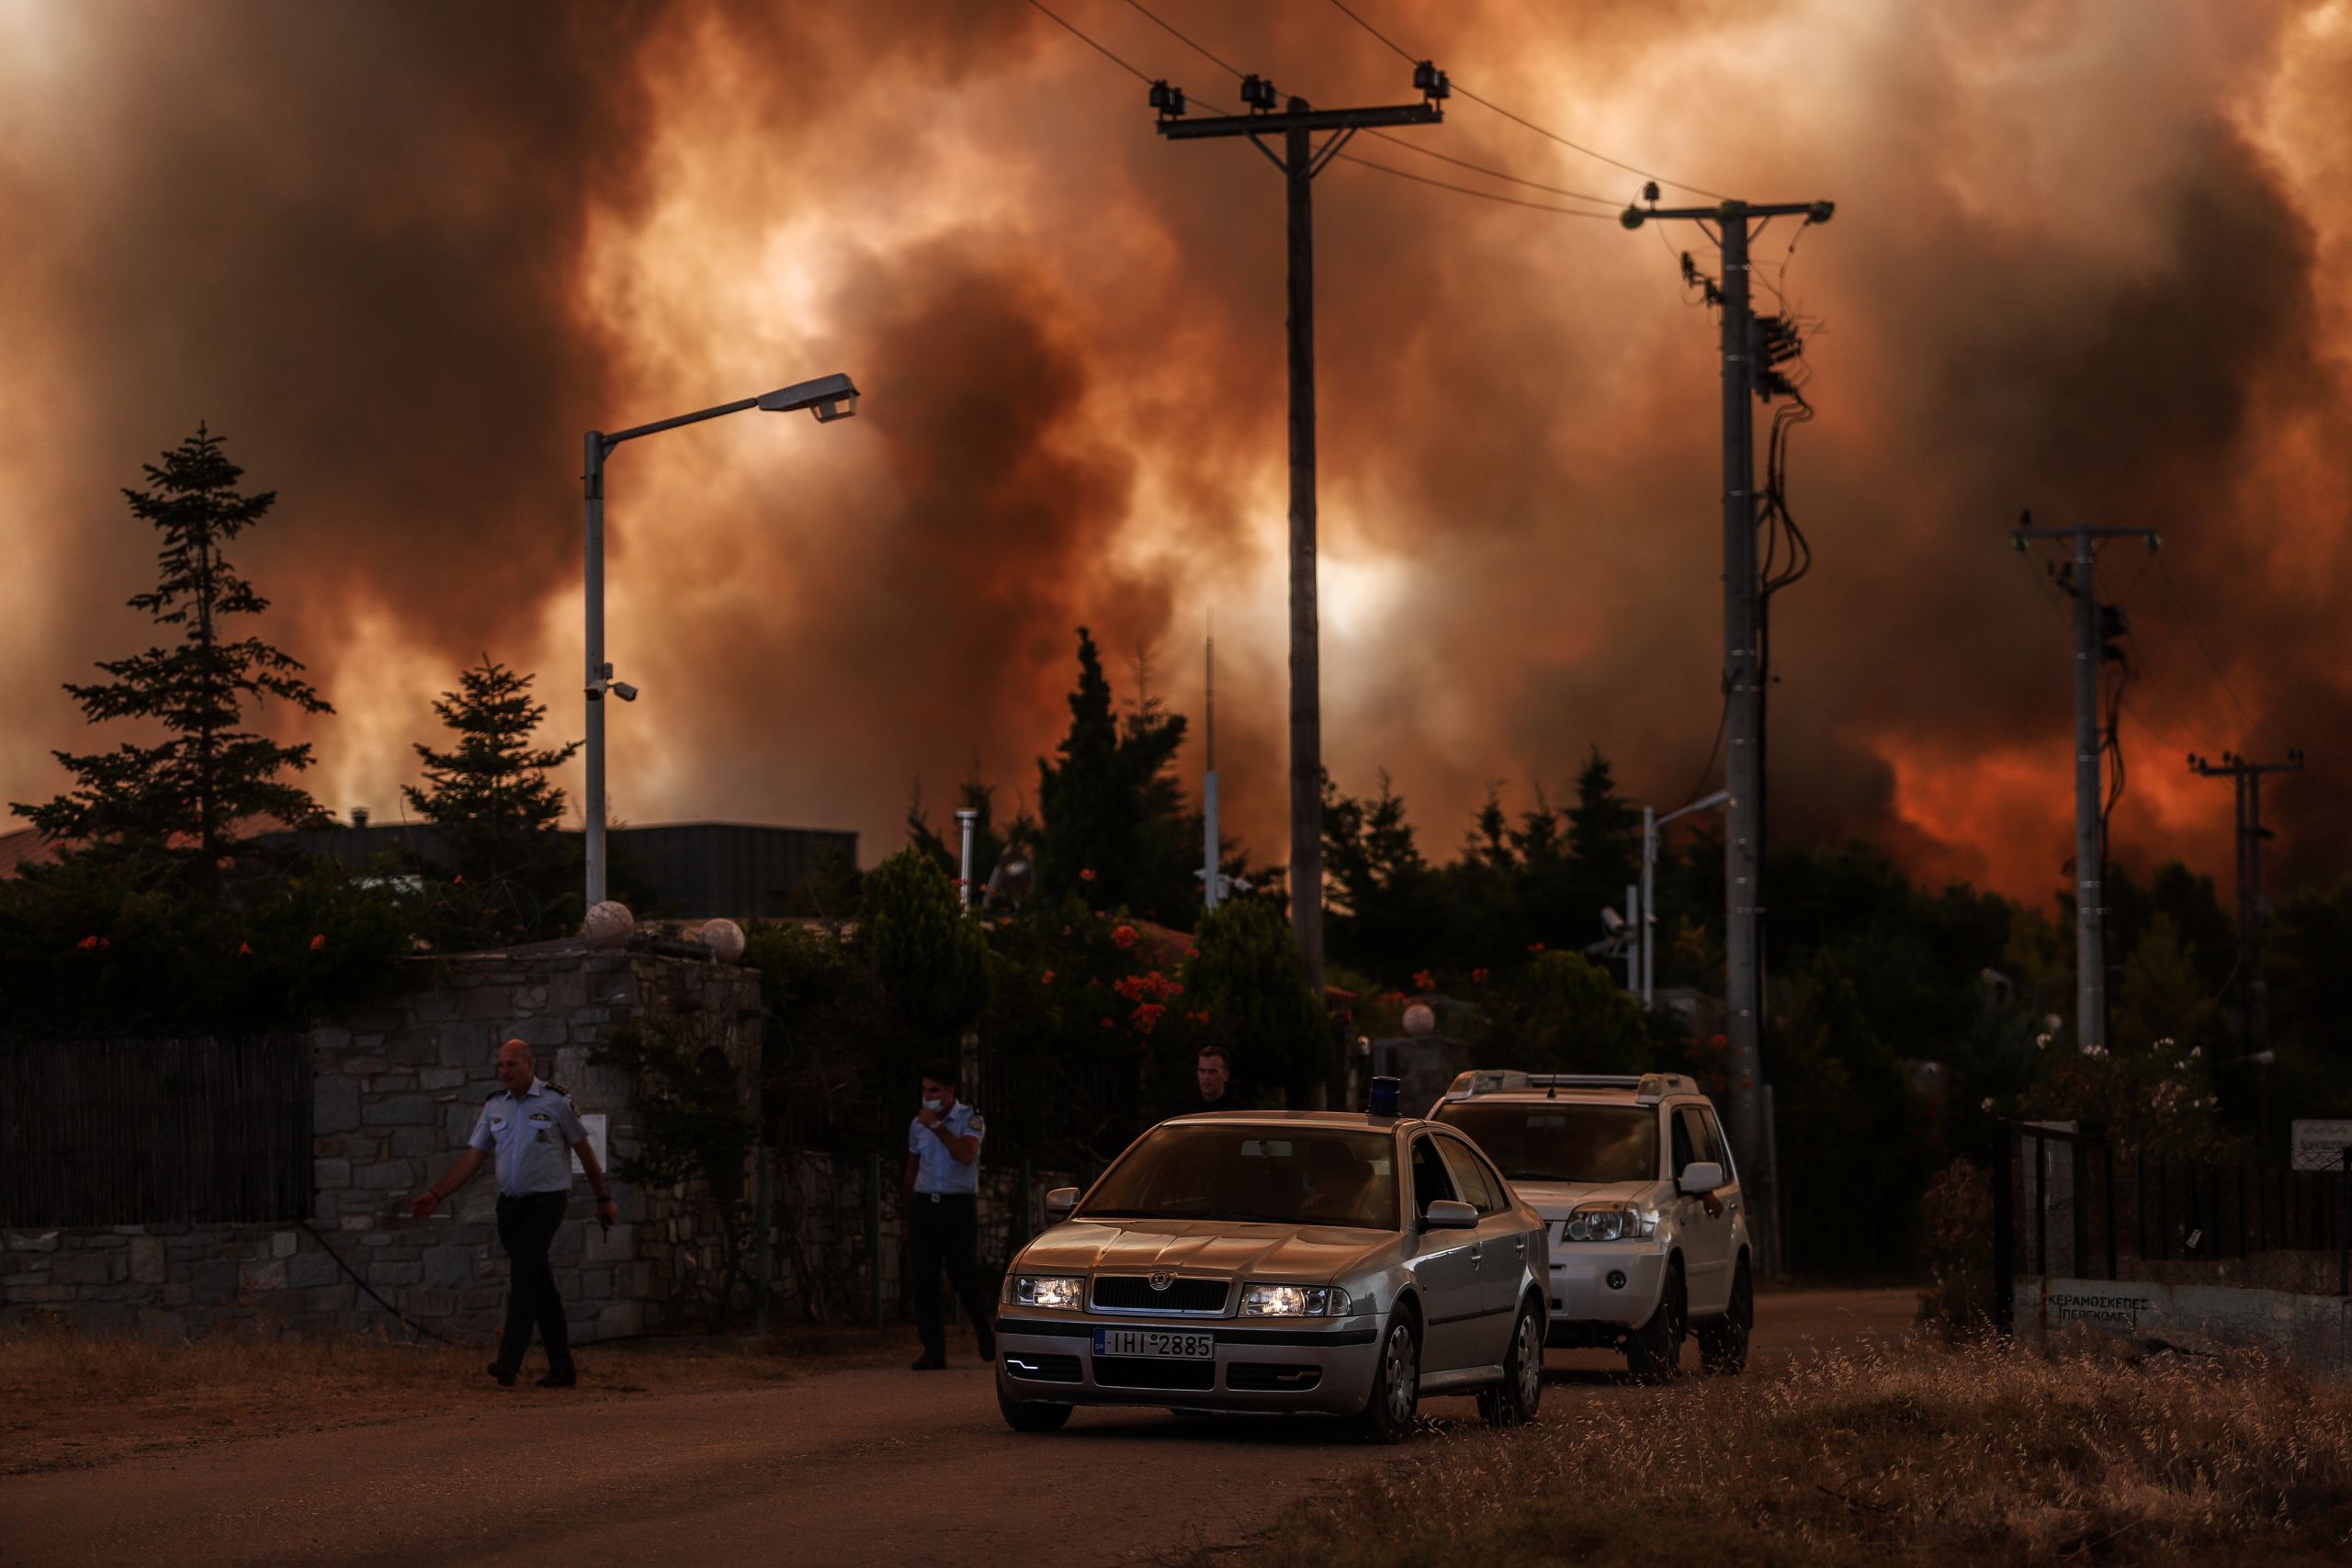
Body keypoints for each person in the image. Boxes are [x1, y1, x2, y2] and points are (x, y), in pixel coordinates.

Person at [410, 1038, 617, 1389]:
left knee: (522, 1273)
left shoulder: (556, 1101)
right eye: (501, 1065)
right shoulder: (494, 1107)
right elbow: (472, 1160)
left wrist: (603, 1198)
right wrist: (436, 1193)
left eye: (512, 1065)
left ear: (530, 1066)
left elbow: (584, 1151)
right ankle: (562, 1368)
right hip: (509, 1207)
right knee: (541, 1285)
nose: (505, 1071)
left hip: (546, 1203)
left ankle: (509, 1362)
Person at [904, 1061, 994, 1371]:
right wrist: (908, 1211)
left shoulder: (970, 1119)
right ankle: (933, 1350)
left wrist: (938, 1128)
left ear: (949, 1092)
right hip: (925, 1206)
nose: (927, 1095)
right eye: (924, 1089)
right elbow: (913, 1166)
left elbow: (966, 1154)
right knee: (924, 1279)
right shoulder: (917, 1125)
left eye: (934, 1090)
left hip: (958, 1207)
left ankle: (985, 1331)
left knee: (963, 1275)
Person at [1187, 1045, 1239, 1113]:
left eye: (1212, 1071)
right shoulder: (1184, 1110)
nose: (1206, 1077)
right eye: (1202, 1071)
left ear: (1226, 1075)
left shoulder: (1236, 1111)